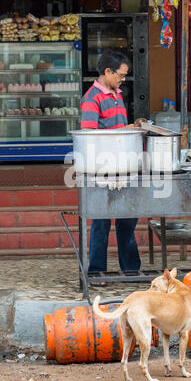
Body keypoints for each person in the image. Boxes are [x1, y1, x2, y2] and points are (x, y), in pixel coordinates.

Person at [80, 49, 141, 283]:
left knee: (127, 218)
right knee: (101, 221)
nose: (122, 80)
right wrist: (124, 130)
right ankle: (96, 271)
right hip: (102, 168)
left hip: (123, 166)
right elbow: (88, 134)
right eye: (121, 75)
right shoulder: (92, 98)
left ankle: (131, 269)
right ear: (107, 71)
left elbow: (118, 128)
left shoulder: (117, 94)